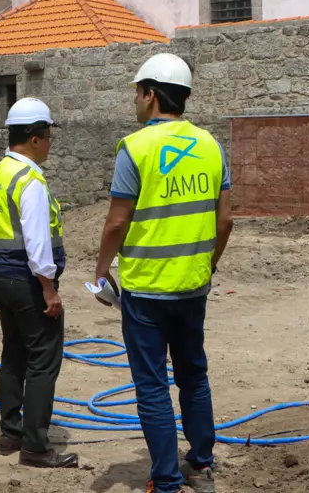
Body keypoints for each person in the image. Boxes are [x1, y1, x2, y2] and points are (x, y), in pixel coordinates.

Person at [93, 53, 234, 493]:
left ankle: (167, 481)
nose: (135, 101)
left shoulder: (134, 148)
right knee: (193, 372)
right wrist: (207, 263)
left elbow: (117, 222)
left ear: (151, 94)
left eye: (137, 93)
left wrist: (101, 269)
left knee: (152, 384)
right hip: (193, 286)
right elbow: (225, 220)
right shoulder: (211, 146)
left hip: (147, 291)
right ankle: (202, 463)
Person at [0, 97, 77, 469]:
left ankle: (11, 433)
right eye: (49, 136)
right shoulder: (30, 180)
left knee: (14, 351)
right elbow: (37, 242)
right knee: (43, 358)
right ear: (35, 138)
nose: (51, 143)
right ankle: (36, 447)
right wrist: (49, 290)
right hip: (26, 278)